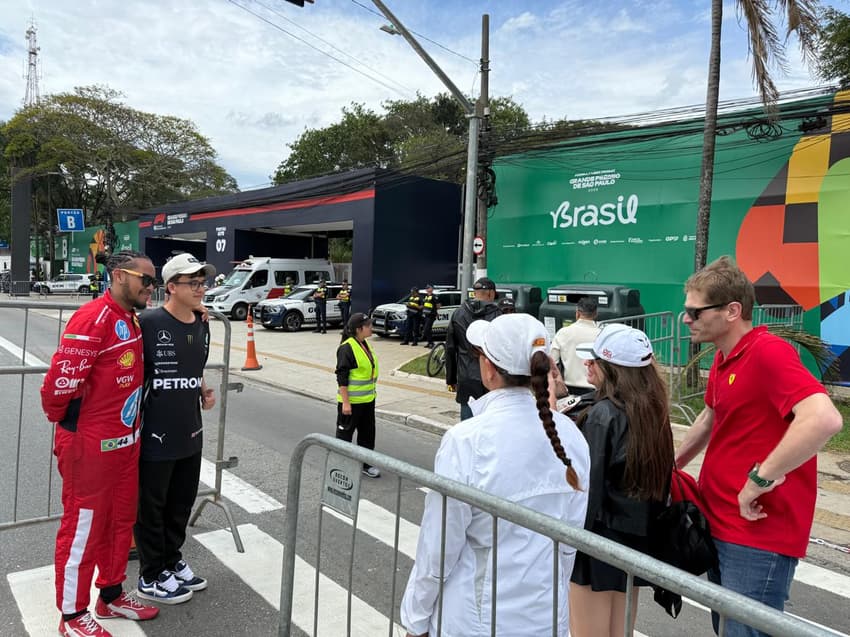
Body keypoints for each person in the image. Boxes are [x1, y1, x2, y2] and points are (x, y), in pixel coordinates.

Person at [675, 256, 842, 637]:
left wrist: (760, 479)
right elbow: (710, 417)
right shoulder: (724, 357)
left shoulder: (768, 352)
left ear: (732, 311)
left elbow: (823, 418)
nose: (687, 319)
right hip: (720, 522)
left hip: (756, 535)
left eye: (694, 312)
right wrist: (674, 463)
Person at [400, 314, 590, 637]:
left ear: (488, 369)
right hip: (546, 620)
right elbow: (570, 542)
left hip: (477, 621)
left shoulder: (466, 441)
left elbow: (438, 551)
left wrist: (415, 619)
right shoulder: (572, 438)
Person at [41, 250, 160, 637]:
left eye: (153, 280)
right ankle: (72, 615)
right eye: (145, 279)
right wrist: (75, 425)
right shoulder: (94, 317)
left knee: (120, 521)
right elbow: (57, 387)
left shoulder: (132, 320)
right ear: (120, 276)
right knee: (83, 527)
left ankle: (110, 593)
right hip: (91, 445)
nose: (150, 286)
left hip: (126, 445)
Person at [569, 323, 674, 637]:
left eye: (594, 360)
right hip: (635, 542)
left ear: (612, 370)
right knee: (620, 632)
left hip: (596, 542)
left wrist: (571, 541)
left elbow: (589, 488)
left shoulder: (603, 415)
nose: (587, 364)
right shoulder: (654, 410)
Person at [134, 253, 216, 605]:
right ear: (171, 287)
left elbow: (193, 367)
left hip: (190, 430)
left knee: (180, 504)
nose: (200, 289)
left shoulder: (203, 323)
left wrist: (200, 390)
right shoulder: (146, 322)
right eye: (192, 283)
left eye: (202, 282)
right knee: (152, 506)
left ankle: (171, 560)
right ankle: (151, 575)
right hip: (155, 433)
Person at [445, 277, 501, 419]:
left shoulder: (458, 314)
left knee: (467, 423)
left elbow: (450, 348)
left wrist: (451, 379)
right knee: (490, 422)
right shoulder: (498, 315)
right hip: (491, 376)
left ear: (475, 293)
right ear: (491, 293)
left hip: (466, 376)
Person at [335, 312, 381, 478]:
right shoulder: (347, 348)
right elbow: (342, 378)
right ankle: (340, 466)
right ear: (359, 329)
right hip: (351, 403)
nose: (371, 328)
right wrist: (346, 403)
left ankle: (366, 464)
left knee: (367, 435)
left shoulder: (365, 344)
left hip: (368, 400)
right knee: (345, 435)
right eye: (369, 326)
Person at [551, 296, 600, 394]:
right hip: (596, 390)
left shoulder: (563, 333)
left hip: (570, 390)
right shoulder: (602, 335)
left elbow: (552, 361)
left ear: (577, 313)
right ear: (596, 314)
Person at [420, 284, 441, 348]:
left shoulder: (434, 297)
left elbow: (438, 306)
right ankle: (429, 342)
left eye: (428, 288)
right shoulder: (426, 297)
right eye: (426, 288)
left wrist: (434, 310)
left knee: (427, 329)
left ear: (431, 289)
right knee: (427, 330)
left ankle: (431, 343)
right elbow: (423, 305)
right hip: (426, 315)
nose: (427, 289)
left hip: (431, 315)